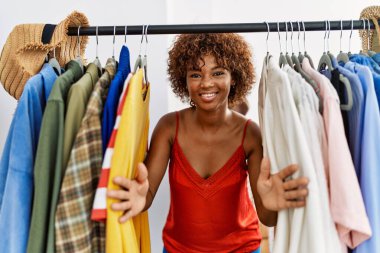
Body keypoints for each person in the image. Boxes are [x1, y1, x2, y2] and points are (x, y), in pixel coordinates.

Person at [107, 33, 309, 253]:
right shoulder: (168, 127)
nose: (206, 83)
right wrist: (139, 198)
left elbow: (266, 217)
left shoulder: (250, 133)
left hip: (241, 249)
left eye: (218, 72)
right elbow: (147, 193)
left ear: (234, 77)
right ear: (183, 80)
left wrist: (271, 205)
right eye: (195, 74)